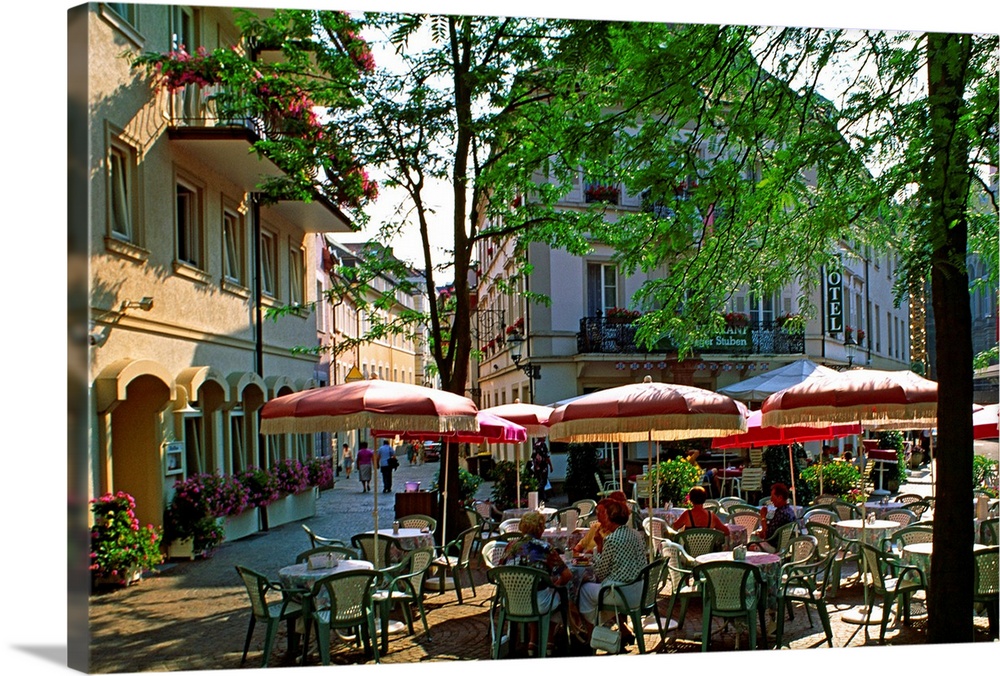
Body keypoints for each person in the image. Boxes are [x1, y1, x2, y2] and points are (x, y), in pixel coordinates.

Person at [499, 511, 573, 655]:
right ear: (540, 528)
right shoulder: (545, 548)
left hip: (511, 601)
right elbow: (567, 575)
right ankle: (549, 642)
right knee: (557, 592)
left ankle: (533, 642)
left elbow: (500, 569)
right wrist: (556, 583)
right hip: (537, 602)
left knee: (538, 590)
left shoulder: (510, 546)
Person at [576, 499, 648, 647]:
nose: (602, 519)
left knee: (583, 591)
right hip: (639, 590)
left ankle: (593, 636)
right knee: (596, 594)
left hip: (621, 593)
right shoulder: (636, 534)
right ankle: (621, 630)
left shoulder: (612, 539)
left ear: (610, 517)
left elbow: (601, 572)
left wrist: (597, 550)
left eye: (604, 515)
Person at [751, 482, 796, 552]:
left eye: (772, 497)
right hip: (784, 546)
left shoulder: (781, 514)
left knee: (749, 547)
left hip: (774, 546)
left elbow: (766, 536)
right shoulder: (789, 511)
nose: (771, 500)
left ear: (780, 498)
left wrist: (763, 517)